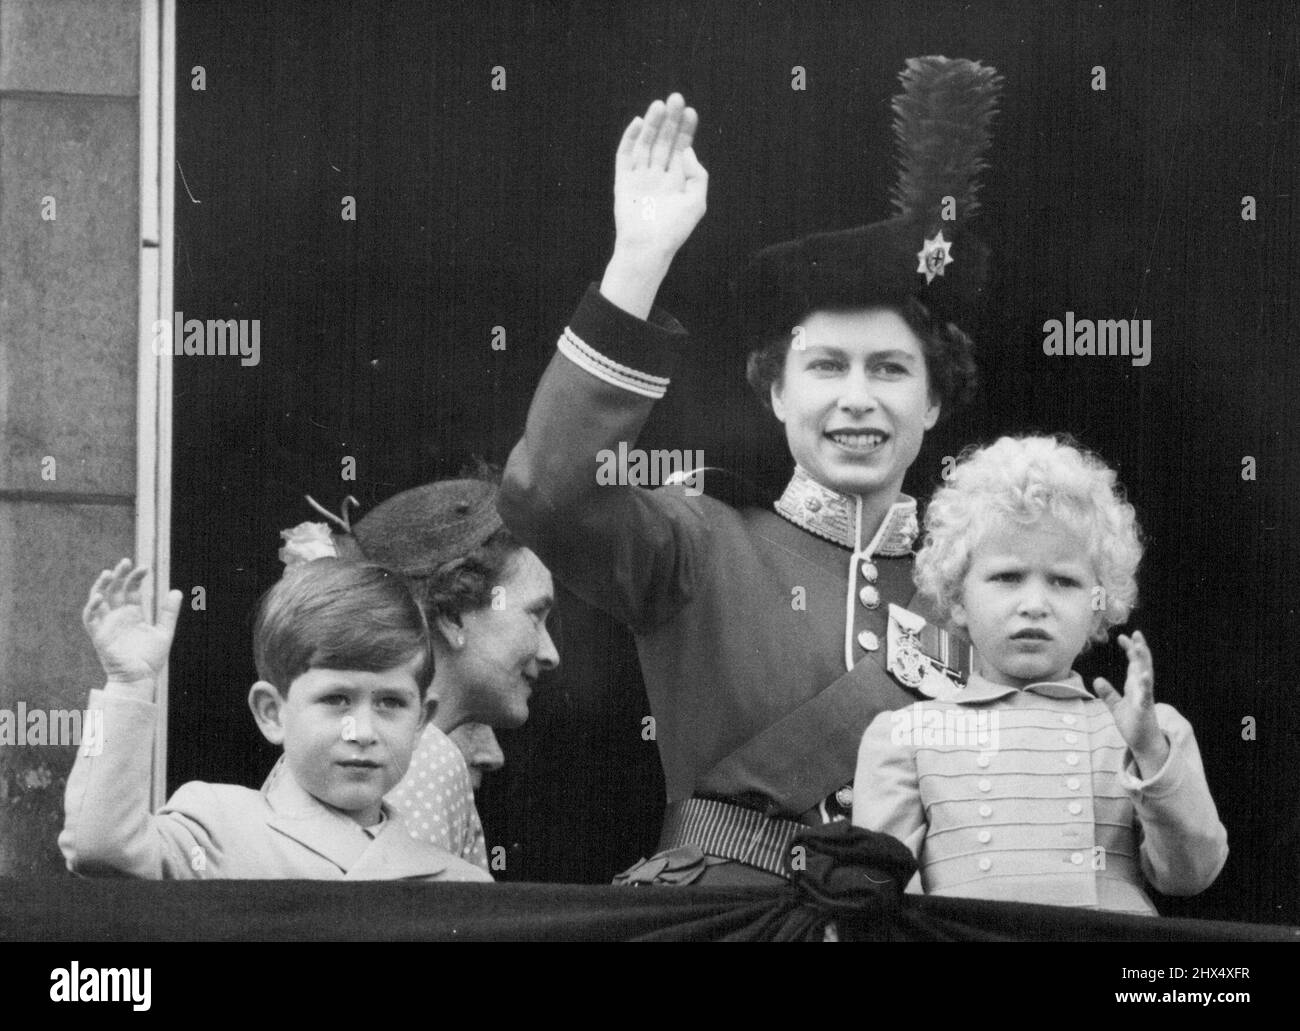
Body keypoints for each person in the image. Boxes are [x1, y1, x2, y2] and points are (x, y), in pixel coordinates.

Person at [500, 59, 1002, 885]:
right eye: (825, 366)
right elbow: (547, 493)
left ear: (936, 399)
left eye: (889, 369)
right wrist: (639, 260)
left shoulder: (981, 592)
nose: (857, 398)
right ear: (775, 391)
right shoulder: (698, 544)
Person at [851, 436, 1228, 912]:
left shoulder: (1151, 732)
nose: (1034, 604)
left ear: (1099, 605)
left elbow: (1191, 875)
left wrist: (1150, 751)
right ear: (958, 597)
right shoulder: (905, 736)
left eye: (1064, 581)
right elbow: (880, 903)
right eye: (1007, 577)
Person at [60, 558, 491, 881]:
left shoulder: (456, 881)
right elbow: (100, 846)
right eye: (336, 699)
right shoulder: (218, 828)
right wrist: (127, 685)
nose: (362, 732)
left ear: (421, 722)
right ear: (271, 712)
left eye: (391, 703)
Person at [276, 475, 558, 873]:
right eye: (535, 615)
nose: (551, 654)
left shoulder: (345, 752)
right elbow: (405, 910)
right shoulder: (415, 757)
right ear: (453, 616)